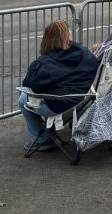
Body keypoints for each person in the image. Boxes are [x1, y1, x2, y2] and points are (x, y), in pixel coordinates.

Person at [19, 21, 101, 150]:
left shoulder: (43, 64)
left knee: (23, 98)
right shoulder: (86, 54)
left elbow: (30, 85)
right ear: (68, 36)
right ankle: (52, 131)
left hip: (57, 104)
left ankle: (42, 139)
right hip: (81, 99)